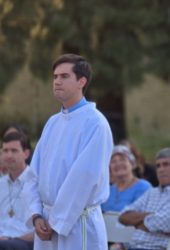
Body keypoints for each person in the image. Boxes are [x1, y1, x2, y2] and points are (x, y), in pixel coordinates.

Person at [24, 54, 113, 250]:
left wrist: (57, 222)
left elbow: (84, 178)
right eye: (55, 76)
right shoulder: (53, 123)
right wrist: (37, 215)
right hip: (46, 223)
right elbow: (33, 174)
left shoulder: (95, 123)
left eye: (64, 76)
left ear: (82, 81)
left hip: (77, 225)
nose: (57, 81)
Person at [118, 148, 170, 250]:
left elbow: (161, 224)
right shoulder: (152, 192)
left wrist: (136, 223)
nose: (161, 169)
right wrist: (152, 215)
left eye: (166, 164)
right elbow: (123, 216)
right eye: (158, 166)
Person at [0, 132, 34, 250]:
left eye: (14, 151)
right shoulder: (1, 184)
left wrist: (13, 240)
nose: (8, 155)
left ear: (26, 153)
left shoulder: (36, 182)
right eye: (5, 150)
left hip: (26, 243)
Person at [101, 145, 151, 212]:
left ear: (132, 164)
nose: (118, 164)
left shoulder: (144, 187)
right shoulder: (107, 191)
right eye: (113, 161)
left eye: (122, 160)